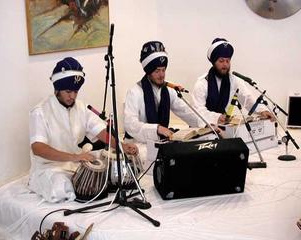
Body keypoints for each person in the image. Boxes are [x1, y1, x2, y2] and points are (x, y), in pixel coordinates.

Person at [28, 57, 138, 203]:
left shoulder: (81, 107)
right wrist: (75, 157)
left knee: (111, 167)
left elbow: (100, 131)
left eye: (75, 91)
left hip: (76, 163)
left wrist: (121, 146)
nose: (72, 96)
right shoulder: (40, 111)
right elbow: (38, 148)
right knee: (62, 188)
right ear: (57, 89)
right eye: (68, 91)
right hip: (48, 169)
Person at [124, 41, 200, 169]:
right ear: (148, 71)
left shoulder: (169, 90)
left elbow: (186, 111)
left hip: (161, 142)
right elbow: (130, 124)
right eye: (157, 71)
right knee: (148, 158)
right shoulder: (134, 92)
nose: (162, 75)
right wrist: (157, 129)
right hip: (139, 144)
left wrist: (207, 124)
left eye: (163, 70)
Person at [191, 38, 274, 125]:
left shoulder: (234, 80)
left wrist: (262, 111)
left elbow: (247, 98)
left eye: (228, 61)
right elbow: (198, 110)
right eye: (221, 61)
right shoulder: (202, 83)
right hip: (204, 127)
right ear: (214, 62)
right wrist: (216, 117)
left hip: (225, 126)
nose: (225, 65)